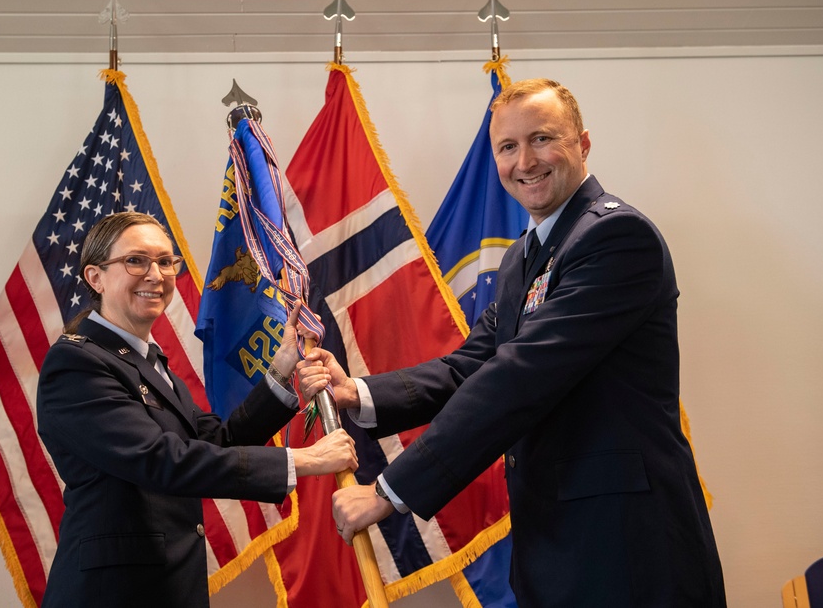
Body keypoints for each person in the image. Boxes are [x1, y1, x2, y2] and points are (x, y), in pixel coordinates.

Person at [300, 79, 726, 606]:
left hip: (626, 549)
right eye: (507, 147)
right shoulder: (522, 258)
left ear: (583, 144)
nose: (525, 161)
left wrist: (390, 491)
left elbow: (519, 377)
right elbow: (469, 367)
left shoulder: (616, 238)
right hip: (552, 547)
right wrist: (357, 392)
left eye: (542, 138)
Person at [36, 211, 357, 608]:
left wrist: (281, 367)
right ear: (95, 277)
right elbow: (161, 461)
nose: (156, 275)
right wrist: (303, 460)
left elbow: (217, 442)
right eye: (136, 260)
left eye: (166, 261)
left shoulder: (147, 360)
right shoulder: (76, 364)